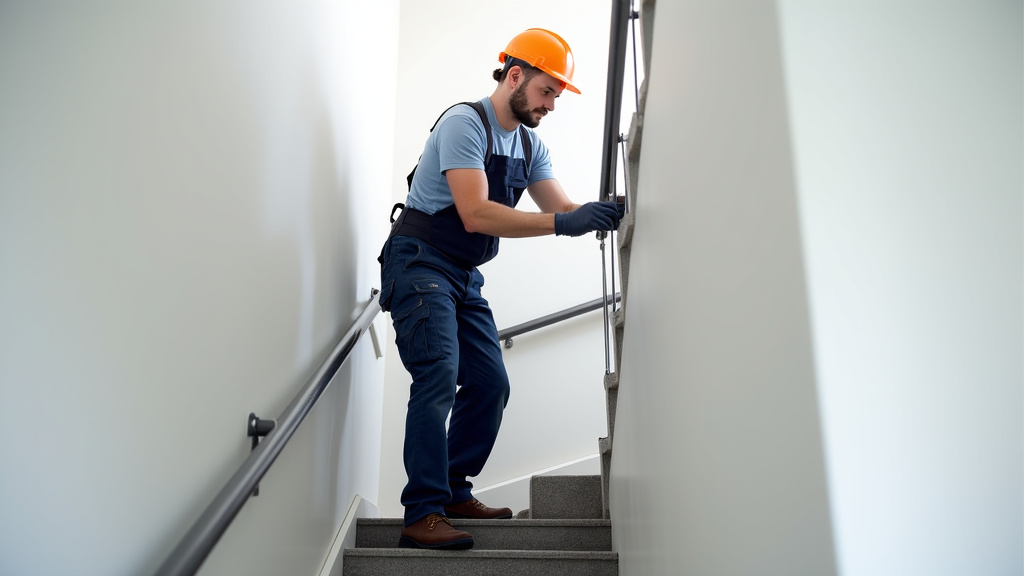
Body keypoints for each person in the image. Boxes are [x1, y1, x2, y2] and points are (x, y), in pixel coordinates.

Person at [377, 28, 623, 550]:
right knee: (439, 373)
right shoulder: (464, 124)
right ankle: (421, 511)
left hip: (464, 276)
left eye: (557, 94)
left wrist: (608, 210)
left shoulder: (531, 143)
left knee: (490, 384)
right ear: (515, 75)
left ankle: (452, 489)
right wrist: (561, 225)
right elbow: (475, 213)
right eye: (546, 91)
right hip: (419, 263)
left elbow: (559, 206)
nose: (552, 104)